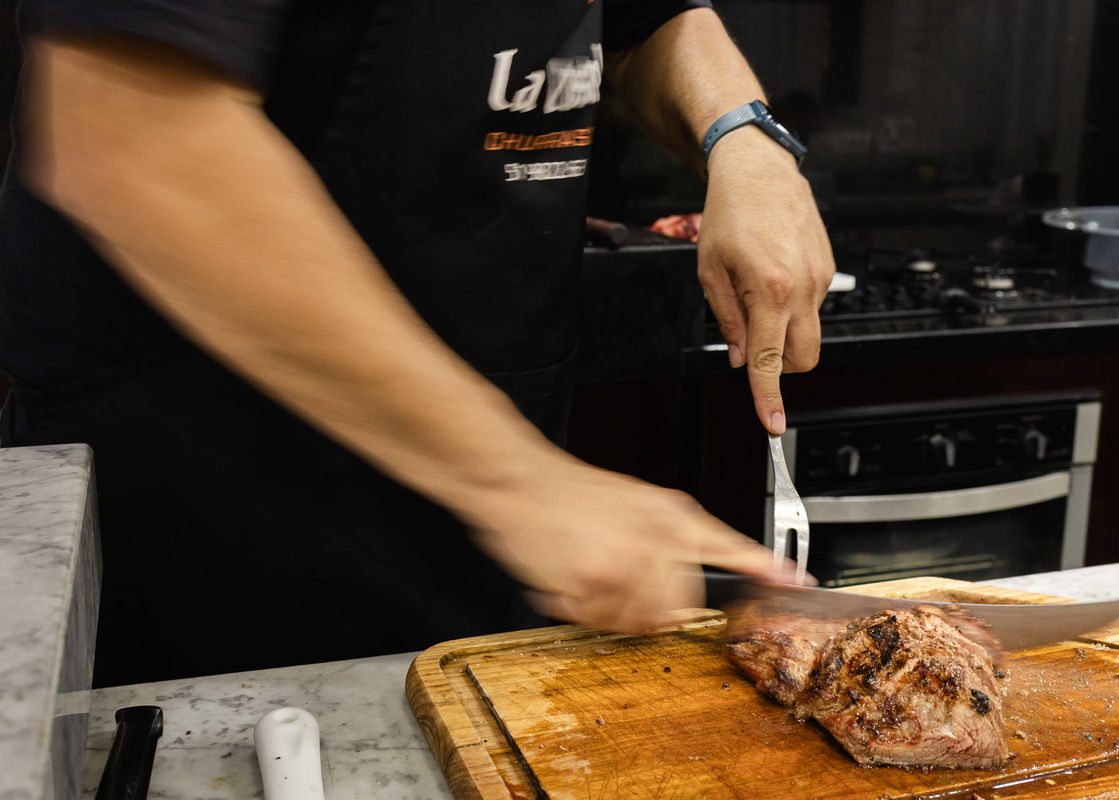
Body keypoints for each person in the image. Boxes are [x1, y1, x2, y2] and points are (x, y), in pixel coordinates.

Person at [0, 1, 836, 686]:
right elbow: (134, 128)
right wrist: (519, 484)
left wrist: (745, 140)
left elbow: (650, 17)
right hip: (217, 504)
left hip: (483, 487)